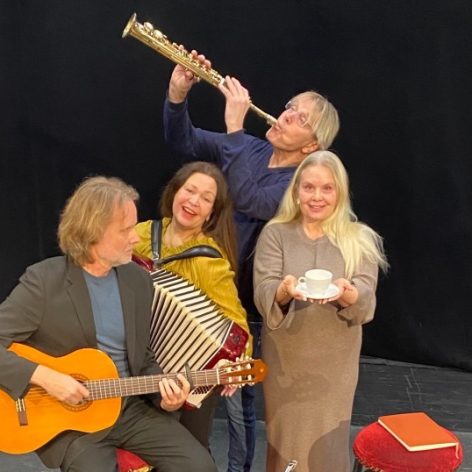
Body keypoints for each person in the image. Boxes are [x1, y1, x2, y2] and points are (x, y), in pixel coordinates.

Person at [162, 55, 340, 471]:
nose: (286, 115)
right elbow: (182, 140)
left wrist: (235, 127)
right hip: (201, 279)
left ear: (311, 146)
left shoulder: (300, 183)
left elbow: (250, 199)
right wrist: (178, 94)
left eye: (300, 118)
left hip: (242, 301)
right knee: (179, 375)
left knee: (236, 397)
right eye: (290, 107)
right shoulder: (252, 148)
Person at [0, 176, 218, 472]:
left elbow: (143, 357)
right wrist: (46, 377)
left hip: (130, 410)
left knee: (200, 466)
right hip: (75, 426)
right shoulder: (43, 281)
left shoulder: (138, 280)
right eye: (126, 230)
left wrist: (166, 397)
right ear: (93, 231)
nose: (136, 238)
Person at [253, 150, 389, 472]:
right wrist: (284, 291)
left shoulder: (360, 239)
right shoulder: (275, 234)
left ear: (340, 192)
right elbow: (263, 290)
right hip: (286, 362)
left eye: (327, 188)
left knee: (328, 448)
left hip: (335, 366)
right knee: (286, 447)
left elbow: (366, 299)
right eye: (309, 187)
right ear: (296, 191)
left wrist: (348, 294)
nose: (317, 197)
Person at [133, 161, 252, 450]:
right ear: (175, 191)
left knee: (189, 452)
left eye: (206, 198)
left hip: (185, 372)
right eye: (189, 190)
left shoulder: (208, 261)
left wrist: (237, 360)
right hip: (134, 365)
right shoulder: (140, 235)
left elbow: (236, 322)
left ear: (212, 212)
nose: (194, 201)